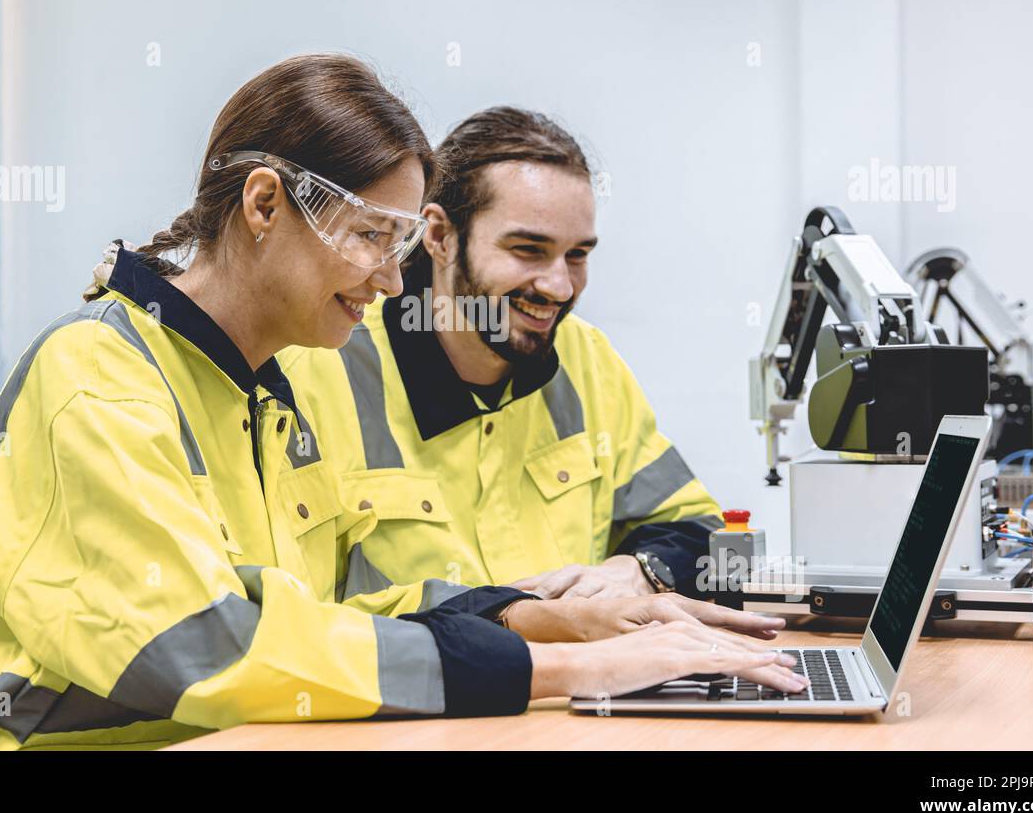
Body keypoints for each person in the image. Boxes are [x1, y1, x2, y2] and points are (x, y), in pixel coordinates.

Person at [0, 56, 804, 750]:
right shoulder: (97, 379)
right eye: (372, 235)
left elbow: (327, 615)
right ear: (262, 206)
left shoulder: (262, 394)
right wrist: (574, 667)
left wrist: (539, 609)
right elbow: (210, 650)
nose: (393, 276)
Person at [281, 107, 725, 602]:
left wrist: (640, 571)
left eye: (577, 255)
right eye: (528, 250)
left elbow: (697, 529)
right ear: (439, 236)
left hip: (595, 679)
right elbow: (295, 622)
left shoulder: (586, 357)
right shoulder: (316, 373)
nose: (559, 286)